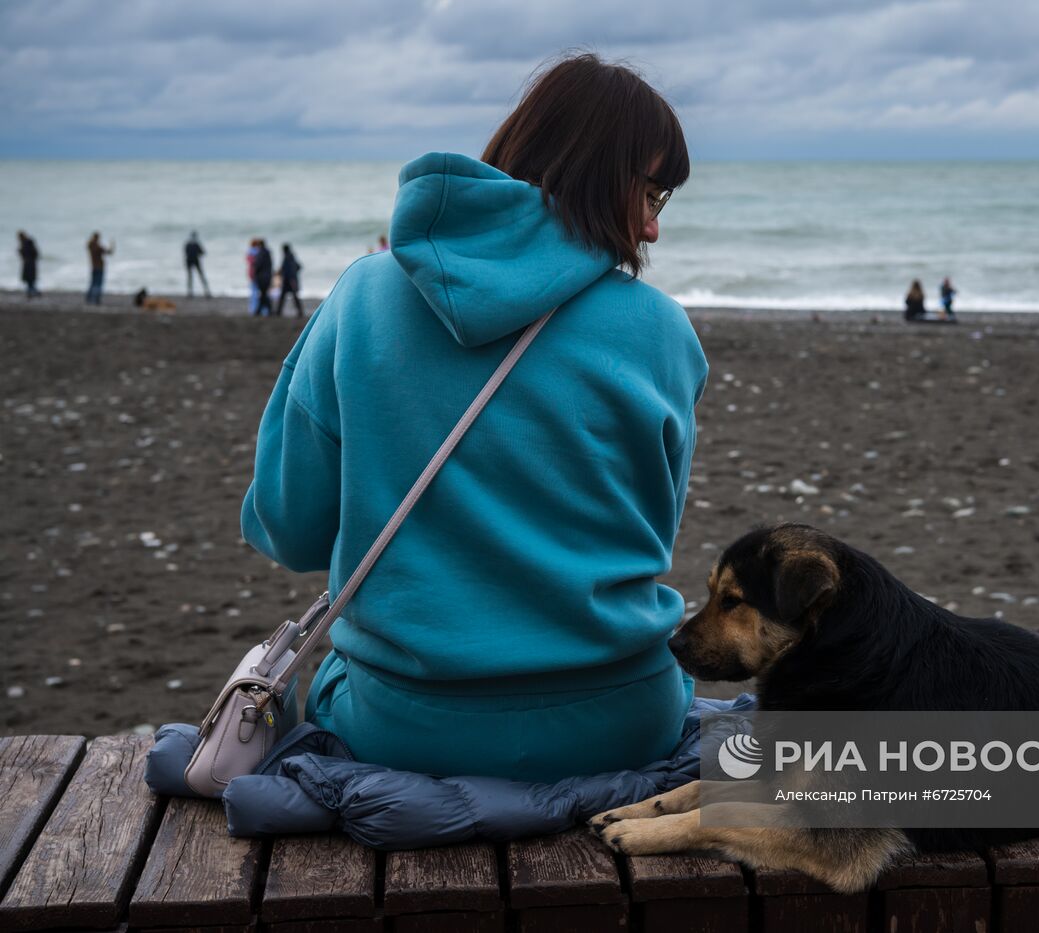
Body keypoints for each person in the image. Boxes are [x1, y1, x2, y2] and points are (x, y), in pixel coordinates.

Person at [242, 53, 702, 782]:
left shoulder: (363, 297)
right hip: (622, 719)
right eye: (651, 193)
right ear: (590, 172)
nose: (650, 229)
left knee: (324, 685)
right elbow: (647, 533)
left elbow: (287, 527)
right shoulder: (662, 330)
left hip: (406, 725)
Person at [86, 232, 114, 305]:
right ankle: (96, 299)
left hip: (93, 267)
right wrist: (112, 245)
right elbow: (109, 252)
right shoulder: (97, 247)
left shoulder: (90, 245)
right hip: (99, 267)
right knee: (98, 284)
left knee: (93, 283)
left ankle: (89, 298)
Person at [276, 243, 304, 317]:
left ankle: (279, 312)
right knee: (294, 297)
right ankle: (300, 311)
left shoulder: (287, 257)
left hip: (288, 281)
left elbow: (286, 269)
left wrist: (289, 276)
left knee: (284, 297)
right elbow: (299, 267)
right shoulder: (292, 256)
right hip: (291, 280)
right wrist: (294, 275)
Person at [185, 232, 211, 298]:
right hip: (195, 261)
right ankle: (206, 292)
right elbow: (202, 252)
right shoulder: (196, 244)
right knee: (200, 276)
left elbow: (186, 253)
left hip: (189, 261)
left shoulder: (188, 244)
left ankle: (190, 293)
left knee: (190, 277)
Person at [251, 239, 274, 316]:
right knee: (263, 293)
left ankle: (260, 310)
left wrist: (255, 272)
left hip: (262, 277)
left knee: (263, 294)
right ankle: (263, 310)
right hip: (268, 276)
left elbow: (258, 265)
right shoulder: (268, 253)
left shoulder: (260, 253)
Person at [17, 232, 40, 298]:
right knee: (30, 281)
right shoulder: (26, 243)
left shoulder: (28, 243)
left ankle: (32, 293)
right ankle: (32, 292)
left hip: (29, 264)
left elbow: (35, 253)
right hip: (29, 264)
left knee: (30, 280)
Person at [246, 239, 260, 314]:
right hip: (256, 274)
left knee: (253, 291)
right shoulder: (257, 252)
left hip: (251, 273)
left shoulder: (249, 252)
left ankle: (252, 308)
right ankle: (254, 308)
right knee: (256, 292)